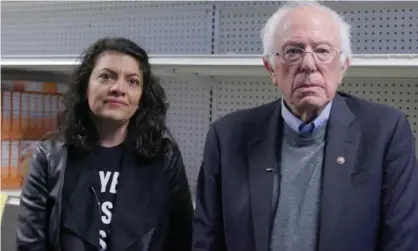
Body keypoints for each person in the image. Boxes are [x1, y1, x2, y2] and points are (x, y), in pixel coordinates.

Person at [192, 2, 418, 251]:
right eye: (293, 51)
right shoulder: (227, 137)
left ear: (343, 66)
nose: (309, 64)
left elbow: (401, 241)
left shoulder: (385, 133)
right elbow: (207, 240)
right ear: (271, 68)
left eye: (322, 50)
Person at [16, 37, 194, 251]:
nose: (119, 88)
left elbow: (184, 240)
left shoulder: (165, 157)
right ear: (85, 87)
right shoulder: (49, 157)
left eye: (132, 81)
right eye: (106, 76)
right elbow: (29, 245)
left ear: (141, 97)